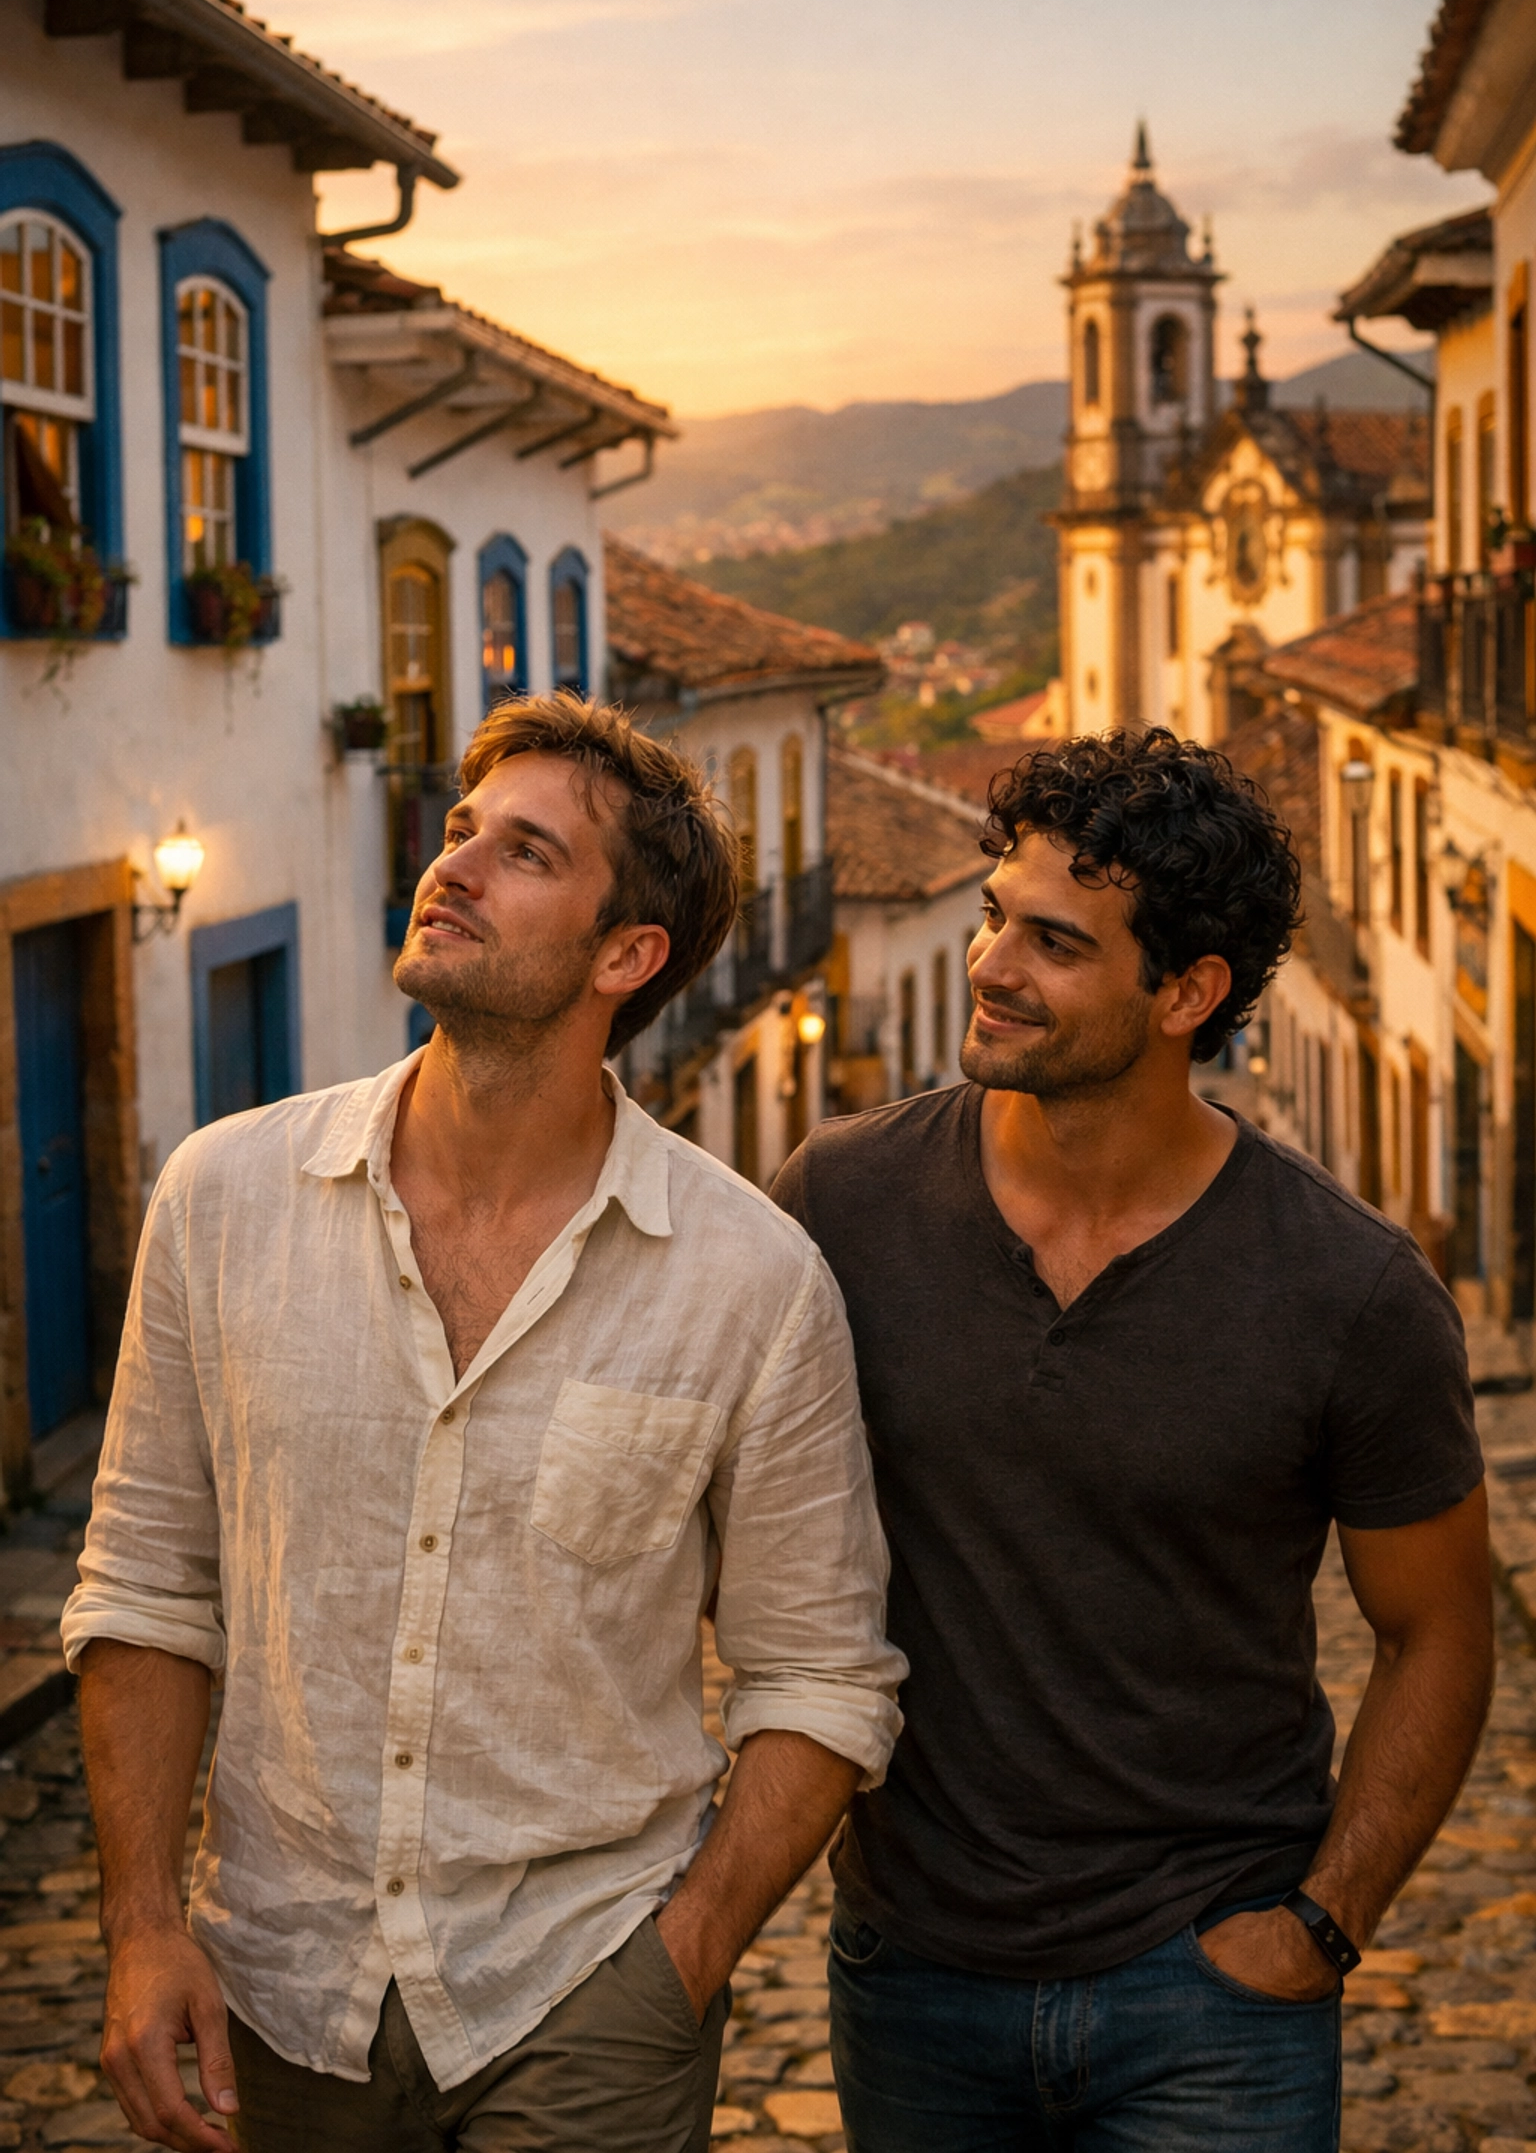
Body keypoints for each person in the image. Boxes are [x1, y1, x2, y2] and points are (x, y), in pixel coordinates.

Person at [65, 693, 904, 2153]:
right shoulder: (222, 1201)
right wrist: (141, 1924)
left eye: (525, 852)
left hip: (582, 1996)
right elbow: (145, 1589)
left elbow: (820, 1680)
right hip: (275, 1991)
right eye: (460, 831)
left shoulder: (751, 1283)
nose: (450, 866)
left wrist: (680, 1962)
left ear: (625, 956)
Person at [773, 726, 1491, 2153]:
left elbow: (1440, 1634)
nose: (990, 966)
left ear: (1189, 992)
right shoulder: (837, 1206)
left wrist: (1323, 1923)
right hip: (914, 1975)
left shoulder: (1350, 1291)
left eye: (1054, 942)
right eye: (993, 917)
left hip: (1211, 2000)